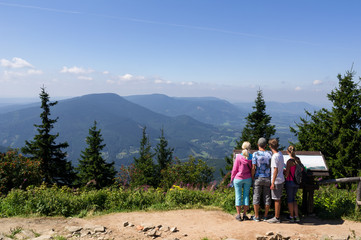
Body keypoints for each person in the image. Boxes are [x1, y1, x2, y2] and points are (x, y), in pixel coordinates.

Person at [230, 141, 253, 221]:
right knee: (246, 196)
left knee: (238, 196)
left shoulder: (239, 157)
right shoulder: (251, 157)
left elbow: (234, 169)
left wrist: (231, 179)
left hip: (238, 178)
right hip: (248, 178)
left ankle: (238, 215)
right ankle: (245, 214)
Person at [251, 137, 272, 222]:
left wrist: (253, 176)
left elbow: (253, 167)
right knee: (267, 197)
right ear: (266, 145)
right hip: (267, 177)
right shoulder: (270, 153)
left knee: (256, 196)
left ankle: (256, 216)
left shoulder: (255, 154)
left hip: (258, 177)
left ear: (258, 145)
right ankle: (265, 215)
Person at [267, 138, 285, 224]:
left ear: (270, 146)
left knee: (276, 199)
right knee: (278, 199)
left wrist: (272, 182)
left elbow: (275, 170)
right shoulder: (280, 154)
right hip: (281, 179)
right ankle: (276, 215)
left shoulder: (274, 157)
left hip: (276, 180)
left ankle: (276, 217)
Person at [284, 145, 301, 223]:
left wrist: (284, 171)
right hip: (297, 182)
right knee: (294, 199)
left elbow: (287, 174)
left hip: (290, 181)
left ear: (288, 152)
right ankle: (296, 216)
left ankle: (291, 216)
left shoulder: (289, 162)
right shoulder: (298, 159)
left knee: (290, 199)